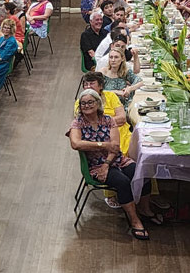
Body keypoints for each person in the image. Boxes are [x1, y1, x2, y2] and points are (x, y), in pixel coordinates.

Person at [67, 88, 156, 240]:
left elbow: (114, 147)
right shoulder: (77, 123)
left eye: (90, 102)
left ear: (98, 103)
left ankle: (144, 209)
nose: (86, 106)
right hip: (95, 165)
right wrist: (102, 145)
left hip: (115, 160)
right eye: (83, 103)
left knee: (142, 173)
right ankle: (135, 221)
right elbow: (75, 143)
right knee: (123, 182)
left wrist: (107, 162)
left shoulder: (109, 120)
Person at [0, 19, 18, 93]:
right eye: (4, 27)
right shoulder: (2, 38)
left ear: (11, 29)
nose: (5, 30)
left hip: (1, 65)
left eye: (8, 28)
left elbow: (2, 57)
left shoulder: (11, 42)